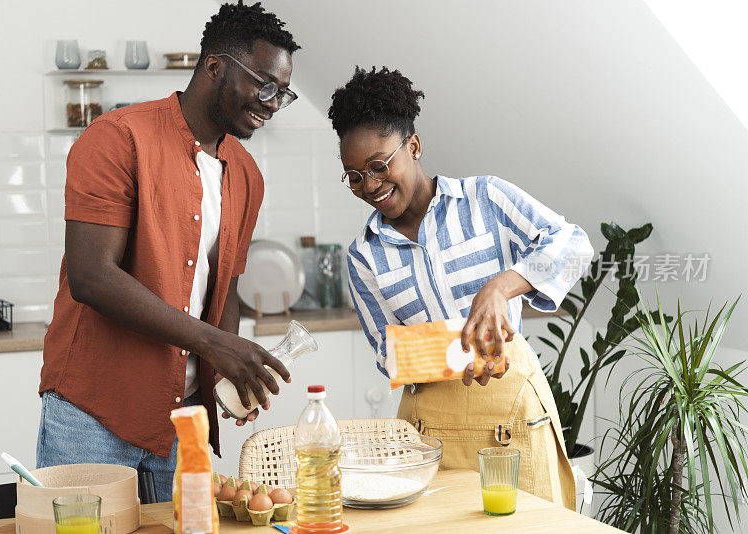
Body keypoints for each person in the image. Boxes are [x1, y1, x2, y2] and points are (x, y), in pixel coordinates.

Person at [38, 1, 300, 501]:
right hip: (93, 411)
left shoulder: (246, 173)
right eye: (265, 85)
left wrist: (226, 368)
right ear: (215, 67)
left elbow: (227, 287)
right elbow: (91, 275)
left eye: (282, 94)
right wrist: (213, 344)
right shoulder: (116, 139)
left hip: (185, 417)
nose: (271, 103)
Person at [329, 66, 593, 509]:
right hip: (428, 434)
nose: (370, 185)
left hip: (512, 414)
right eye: (355, 176)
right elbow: (387, 353)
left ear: (413, 146)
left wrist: (500, 287)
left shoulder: (486, 199)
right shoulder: (364, 255)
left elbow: (575, 246)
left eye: (379, 166)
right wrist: (464, 353)